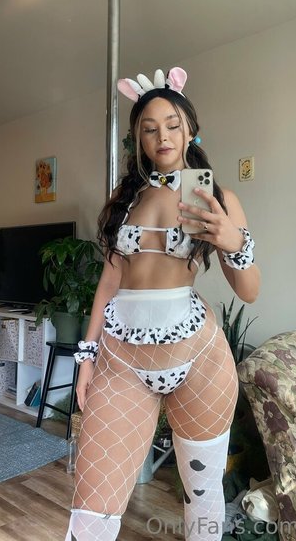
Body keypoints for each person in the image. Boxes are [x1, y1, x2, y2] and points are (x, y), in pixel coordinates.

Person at [65, 67, 260, 541]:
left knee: (203, 496)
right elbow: (109, 282)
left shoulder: (213, 196)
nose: (162, 137)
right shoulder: (125, 198)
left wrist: (233, 241)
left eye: (172, 125)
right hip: (121, 359)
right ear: (138, 139)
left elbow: (249, 290)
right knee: (92, 507)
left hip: (199, 359)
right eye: (149, 129)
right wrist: (86, 356)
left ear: (191, 130)